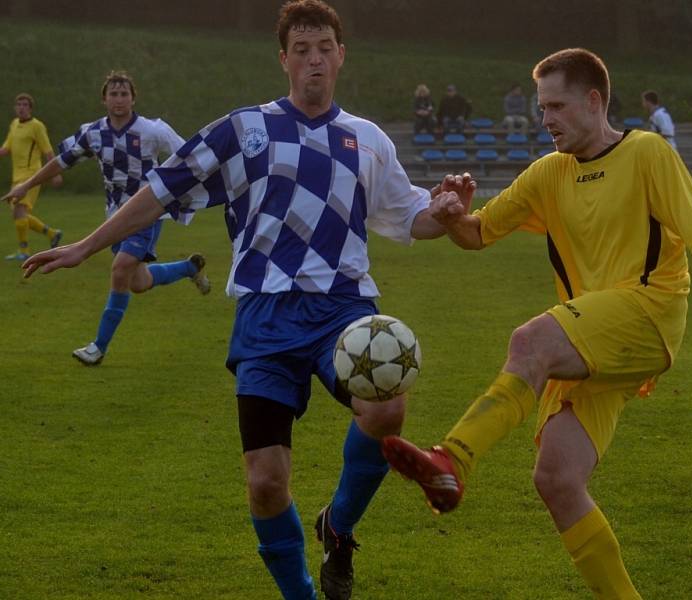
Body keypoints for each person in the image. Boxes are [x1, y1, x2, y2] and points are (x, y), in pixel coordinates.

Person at [15, 2, 465, 598]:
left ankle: (340, 524)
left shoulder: (367, 138)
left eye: (324, 47)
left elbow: (411, 216)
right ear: (283, 59)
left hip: (345, 307)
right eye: (301, 49)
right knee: (266, 483)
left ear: (340, 56)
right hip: (266, 314)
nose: (314, 59)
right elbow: (160, 189)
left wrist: (447, 210)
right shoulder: (244, 130)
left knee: (386, 409)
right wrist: (88, 245)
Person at [381, 48, 692, 600]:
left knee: (530, 341)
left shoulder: (646, 152)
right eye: (543, 106)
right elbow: (477, 233)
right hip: (592, 335)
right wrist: (452, 214)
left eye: (557, 105)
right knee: (556, 480)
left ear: (594, 101)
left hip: (647, 312)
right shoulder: (549, 172)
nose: (546, 118)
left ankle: (453, 458)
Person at [3, 71, 210, 365]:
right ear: (104, 99)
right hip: (115, 219)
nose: (119, 99)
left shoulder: (152, 131)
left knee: (120, 267)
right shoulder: (93, 133)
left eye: (124, 93)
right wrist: (27, 184)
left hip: (146, 214)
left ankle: (98, 348)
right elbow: (61, 161)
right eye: (113, 93)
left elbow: (190, 156)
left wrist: (176, 193)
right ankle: (189, 268)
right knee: (137, 281)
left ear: (133, 98)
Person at [1, 93, 63, 260]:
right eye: (18, 104)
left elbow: (48, 150)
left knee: (19, 210)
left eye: (24, 105)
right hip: (17, 176)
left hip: (31, 176)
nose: (21, 108)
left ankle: (24, 252)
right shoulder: (14, 124)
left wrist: (55, 173)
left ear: (30, 108)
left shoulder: (37, 126)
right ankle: (52, 234)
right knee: (18, 214)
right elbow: (6, 148)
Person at [641, 90, 692, 207]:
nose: (643, 104)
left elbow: (669, 132)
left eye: (644, 101)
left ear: (649, 102)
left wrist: (650, 136)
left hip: (667, 151)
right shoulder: (655, 115)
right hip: (661, 151)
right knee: (675, 178)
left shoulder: (661, 115)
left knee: (677, 178)